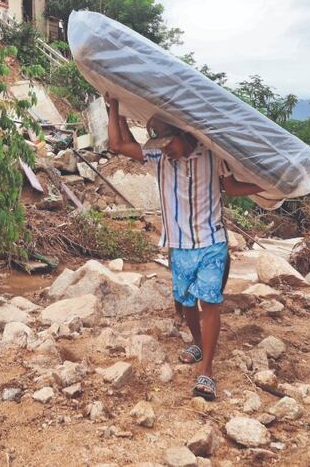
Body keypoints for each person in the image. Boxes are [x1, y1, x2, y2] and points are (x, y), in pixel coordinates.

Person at [105, 94, 264, 400]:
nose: (167, 151)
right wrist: (114, 106)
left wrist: (270, 186)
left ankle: (207, 370)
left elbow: (231, 188)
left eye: (169, 144)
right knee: (188, 303)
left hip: (211, 241)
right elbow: (117, 144)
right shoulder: (158, 157)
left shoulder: (213, 155)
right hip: (179, 244)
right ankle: (198, 343)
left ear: (184, 135)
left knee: (210, 303)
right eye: (162, 146)